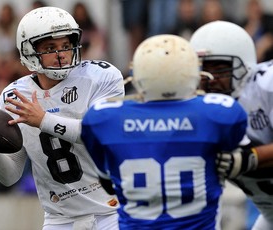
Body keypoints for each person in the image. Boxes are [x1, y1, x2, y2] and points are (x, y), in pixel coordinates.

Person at [0, 6, 124, 230]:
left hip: (112, 212)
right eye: (50, 47)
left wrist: (44, 120)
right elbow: (9, 176)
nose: (61, 54)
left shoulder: (101, 77)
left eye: (65, 45)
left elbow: (103, 134)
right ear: (28, 51)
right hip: (59, 218)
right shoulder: (13, 97)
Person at [81, 34, 247, 229]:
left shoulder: (104, 118)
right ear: (193, 72)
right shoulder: (218, 113)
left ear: (139, 74)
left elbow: (108, 183)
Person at [189, 20, 273, 230]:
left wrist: (250, 158)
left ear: (244, 64)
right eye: (204, 69)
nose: (211, 78)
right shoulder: (197, 109)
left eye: (219, 68)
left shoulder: (266, 85)